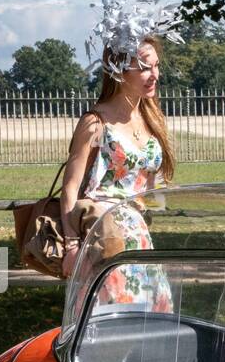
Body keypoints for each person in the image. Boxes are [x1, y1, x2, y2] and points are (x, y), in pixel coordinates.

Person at [60, 35, 174, 311]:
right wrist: (72, 246)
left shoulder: (151, 118)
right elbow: (70, 189)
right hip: (104, 238)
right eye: (144, 67)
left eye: (156, 66)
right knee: (115, 322)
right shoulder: (95, 122)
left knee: (151, 325)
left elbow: (149, 185)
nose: (154, 75)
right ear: (118, 71)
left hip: (140, 237)